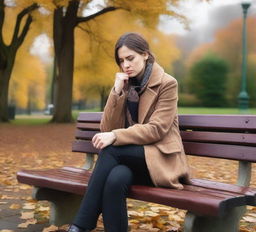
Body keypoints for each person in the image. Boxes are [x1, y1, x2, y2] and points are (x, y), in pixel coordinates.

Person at [68, 32, 190, 232]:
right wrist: (117, 92)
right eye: (121, 61)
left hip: (160, 160)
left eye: (130, 58)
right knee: (116, 178)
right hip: (131, 160)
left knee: (110, 150)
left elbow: (156, 129)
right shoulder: (127, 85)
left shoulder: (168, 84)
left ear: (145, 55)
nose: (126, 65)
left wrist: (116, 136)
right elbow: (107, 128)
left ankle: (82, 224)